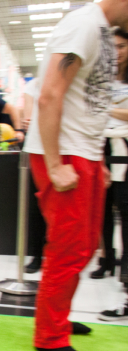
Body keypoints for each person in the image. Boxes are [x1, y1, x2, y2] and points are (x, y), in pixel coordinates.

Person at [23, 0, 128, 351]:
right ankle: (49, 336)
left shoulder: (101, 31)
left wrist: (96, 158)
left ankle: (59, 319)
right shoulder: (82, 25)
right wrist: (55, 163)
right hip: (64, 152)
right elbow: (50, 94)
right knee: (68, 247)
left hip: (85, 151)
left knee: (84, 246)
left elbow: (90, 103)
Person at [92, 28, 128, 281]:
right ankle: (106, 259)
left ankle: (126, 263)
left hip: (124, 149)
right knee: (101, 209)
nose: (117, 52)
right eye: (112, 47)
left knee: (125, 208)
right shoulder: (99, 78)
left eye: (122, 47)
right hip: (99, 146)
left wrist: (108, 109)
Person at [22, 79, 48, 274]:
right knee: (36, 208)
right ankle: (37, 255)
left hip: (63, 149)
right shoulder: (33, 86)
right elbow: (28, 118)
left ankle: (51, 256)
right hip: (37, 151)